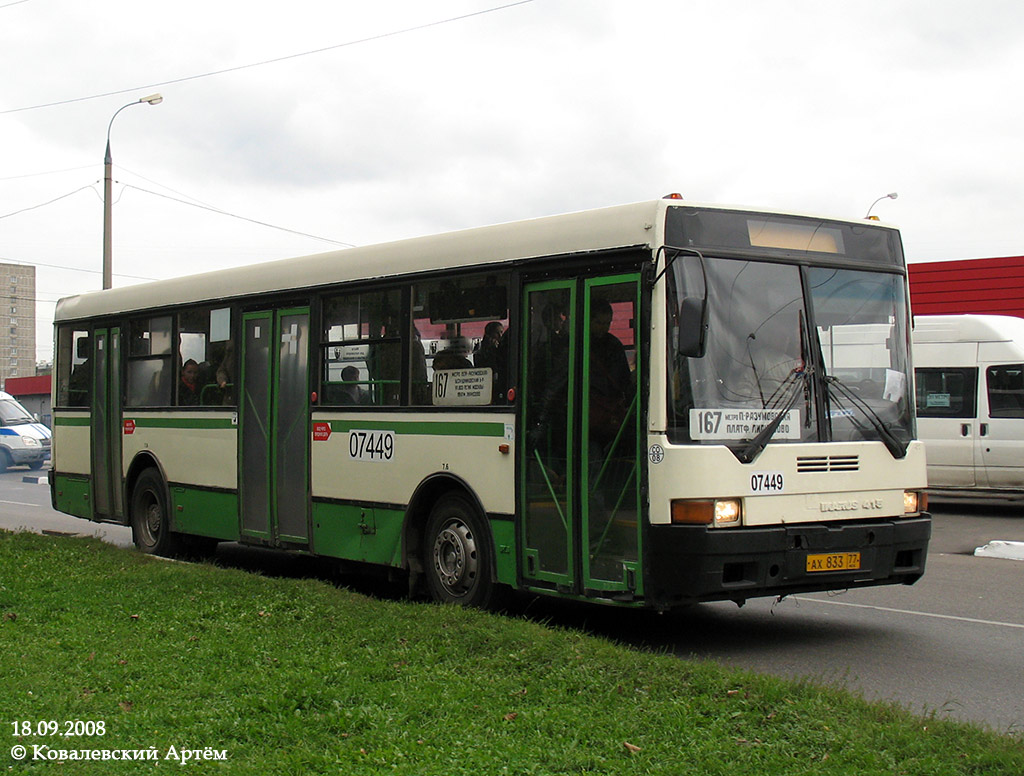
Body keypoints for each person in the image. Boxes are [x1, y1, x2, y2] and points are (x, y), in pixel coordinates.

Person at [588, 298, 632, 447]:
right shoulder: (578, 344)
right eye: (599, 323)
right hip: (587, 416)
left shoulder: (614, 345)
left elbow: (624, 379)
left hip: (608, 415)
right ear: (589, 320)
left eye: (607, 324)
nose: (603, 328)